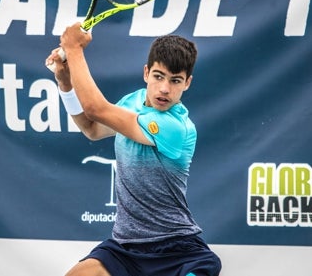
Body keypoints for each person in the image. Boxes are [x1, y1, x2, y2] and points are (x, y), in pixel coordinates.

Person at [46, 23, 222, 276]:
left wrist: (74, 49)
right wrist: (65, 82)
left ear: (187, 83)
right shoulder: (132, 101)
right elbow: (92, 128)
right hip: (125, 249)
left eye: (175, 81)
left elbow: (97, 108)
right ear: (146, 73)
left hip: (178, 250)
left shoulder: (176, 127)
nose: (164, 89)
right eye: (159, 76)